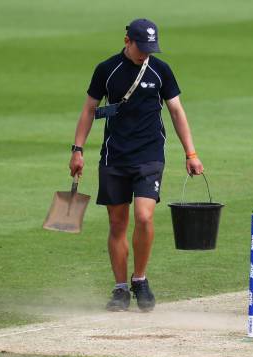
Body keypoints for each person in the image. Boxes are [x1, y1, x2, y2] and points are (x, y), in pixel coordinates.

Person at [69, 18, 204, 312]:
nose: (146, 53)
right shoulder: (106, 70)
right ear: (127, 40)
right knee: (117, 223)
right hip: (114, 157)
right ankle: (120, 289)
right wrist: (77, 149)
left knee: (144, 217)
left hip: (149, 155)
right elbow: (89, 110)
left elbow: (177, 111)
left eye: (150, 48)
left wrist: (191, 153)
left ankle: (139, 279)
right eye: (141, 47)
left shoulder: (160, 70)